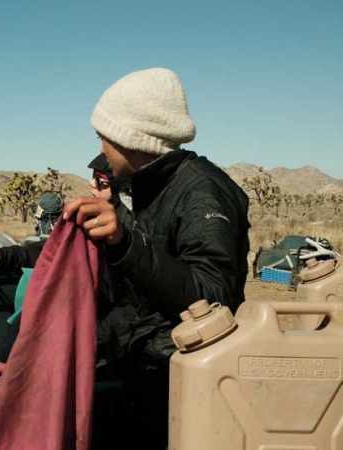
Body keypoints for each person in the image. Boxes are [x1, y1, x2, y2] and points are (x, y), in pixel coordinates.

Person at [64, 67, 250, 448]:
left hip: (174, 377)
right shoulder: (144, 188)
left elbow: (213, 294)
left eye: (104, 138)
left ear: (130, 137)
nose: (100, 150)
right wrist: (9, 258)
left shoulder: (203, 193)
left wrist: (126, 242)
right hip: (137, 363)